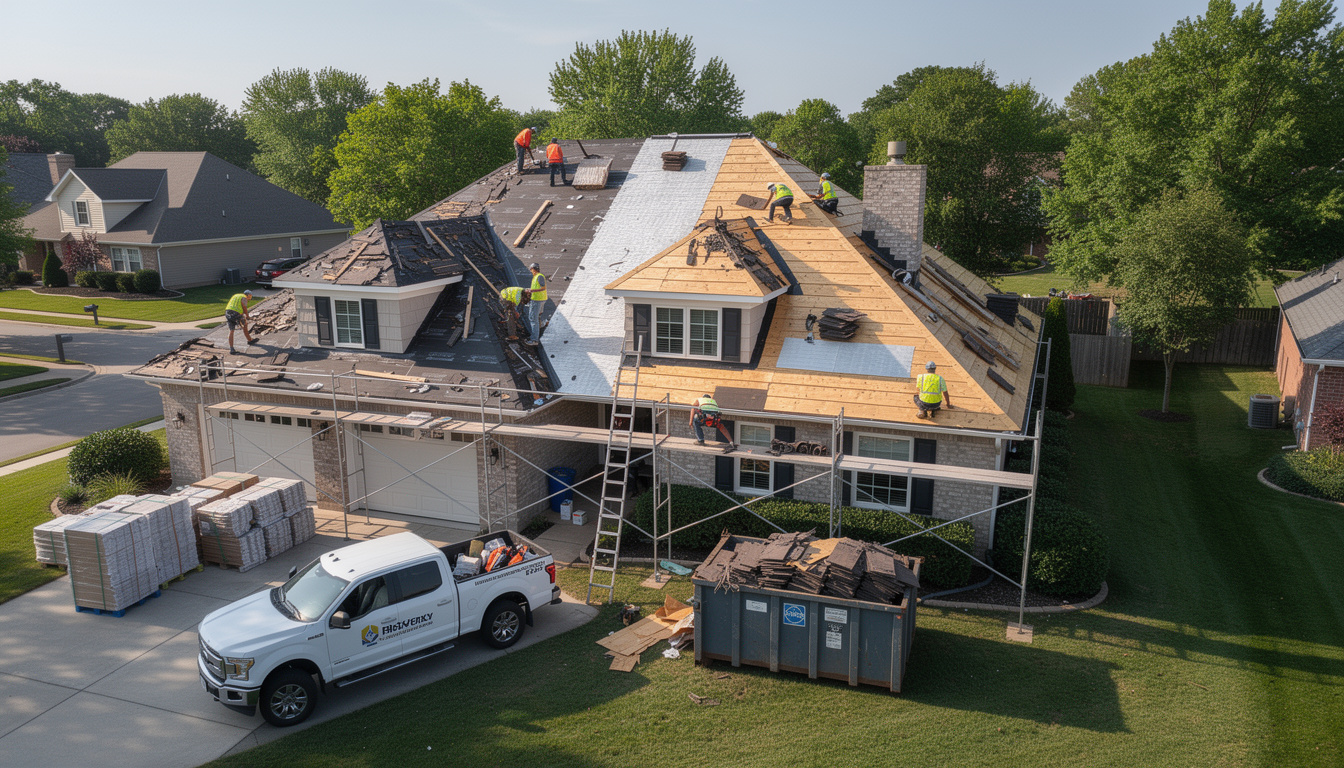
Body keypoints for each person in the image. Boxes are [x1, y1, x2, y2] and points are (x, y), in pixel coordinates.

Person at [225, 289, 254, 353]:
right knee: (245, 325)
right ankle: (250, 340)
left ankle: (232, 349)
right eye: (250, 296)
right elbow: (244, 307)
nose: (250, 298)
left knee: (231, 330)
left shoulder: (236, 295)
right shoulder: (244, 297)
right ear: (248, 295)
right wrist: (247, 316)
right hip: (236, 313)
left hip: (228, 313)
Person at [524, 263, 549, 339]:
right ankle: (540, 328)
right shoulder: (536, 277)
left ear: (533, 269)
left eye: (531, 269)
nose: (530, 271)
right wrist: (531, 289)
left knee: (533, 318)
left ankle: (534, 339)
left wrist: (532, 290)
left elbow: (543, 288)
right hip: (540, 299)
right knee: (538, 316)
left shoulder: (539, 276)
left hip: (537, 300)